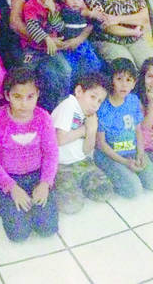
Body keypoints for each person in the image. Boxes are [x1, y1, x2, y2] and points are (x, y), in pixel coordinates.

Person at [0, 67, 59, 241]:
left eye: (30, 97)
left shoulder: (43, 118)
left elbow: (51, 154)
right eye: (17, 97)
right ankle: (7, 204)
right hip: (9, 177)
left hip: (37, 175)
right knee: (18, 235)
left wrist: (45, 183)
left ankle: (36, 201)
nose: (24, 104)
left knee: (48, 229)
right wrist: (11, 188)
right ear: (7, 96)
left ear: (38, 94)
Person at [95, 58, 153, 198]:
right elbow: (101, 144)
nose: (124, 84)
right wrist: (125, 162)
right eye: (119, 79)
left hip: (131, 151)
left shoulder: (133, 100)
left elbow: (138, 130)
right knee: (134, 190)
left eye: (128, 80)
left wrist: (140, 153)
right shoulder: (103, 107)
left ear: (134, 83)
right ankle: (107, 173)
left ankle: (128, 169)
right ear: (111, 80)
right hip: (110, 155)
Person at [50, 72, 112, 214]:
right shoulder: (69, 105)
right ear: (79, 91)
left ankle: (77, 185)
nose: (95, 105)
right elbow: (58, 139)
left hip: (82, 162)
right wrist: (84, 129)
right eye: (92, 97)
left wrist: (92, 130)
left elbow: (87, 150)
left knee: (105, 191)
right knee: (72, 206)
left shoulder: (89, 114)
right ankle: (58, 187)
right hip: (61, 165)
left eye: (99, 101)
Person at [20, 0, 72, 112]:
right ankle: (27, 103)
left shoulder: (56, 7)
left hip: (51, 49)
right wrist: (46, 38)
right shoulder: (30, 5)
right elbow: (32, 27)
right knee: (26, 73)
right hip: (33, 49)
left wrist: (53, 11)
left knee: (66, 70)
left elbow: (59, 27)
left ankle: (62, 104)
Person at [58, 0, 105, 79]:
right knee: (72, 69)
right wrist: (89, 13)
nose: (76, 2)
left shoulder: (84, 13)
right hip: (67, 46)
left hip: (83, 44)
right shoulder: (62, 11)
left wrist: (96, 16)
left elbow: (93, 24)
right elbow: (70, 14)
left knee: (95, 64)